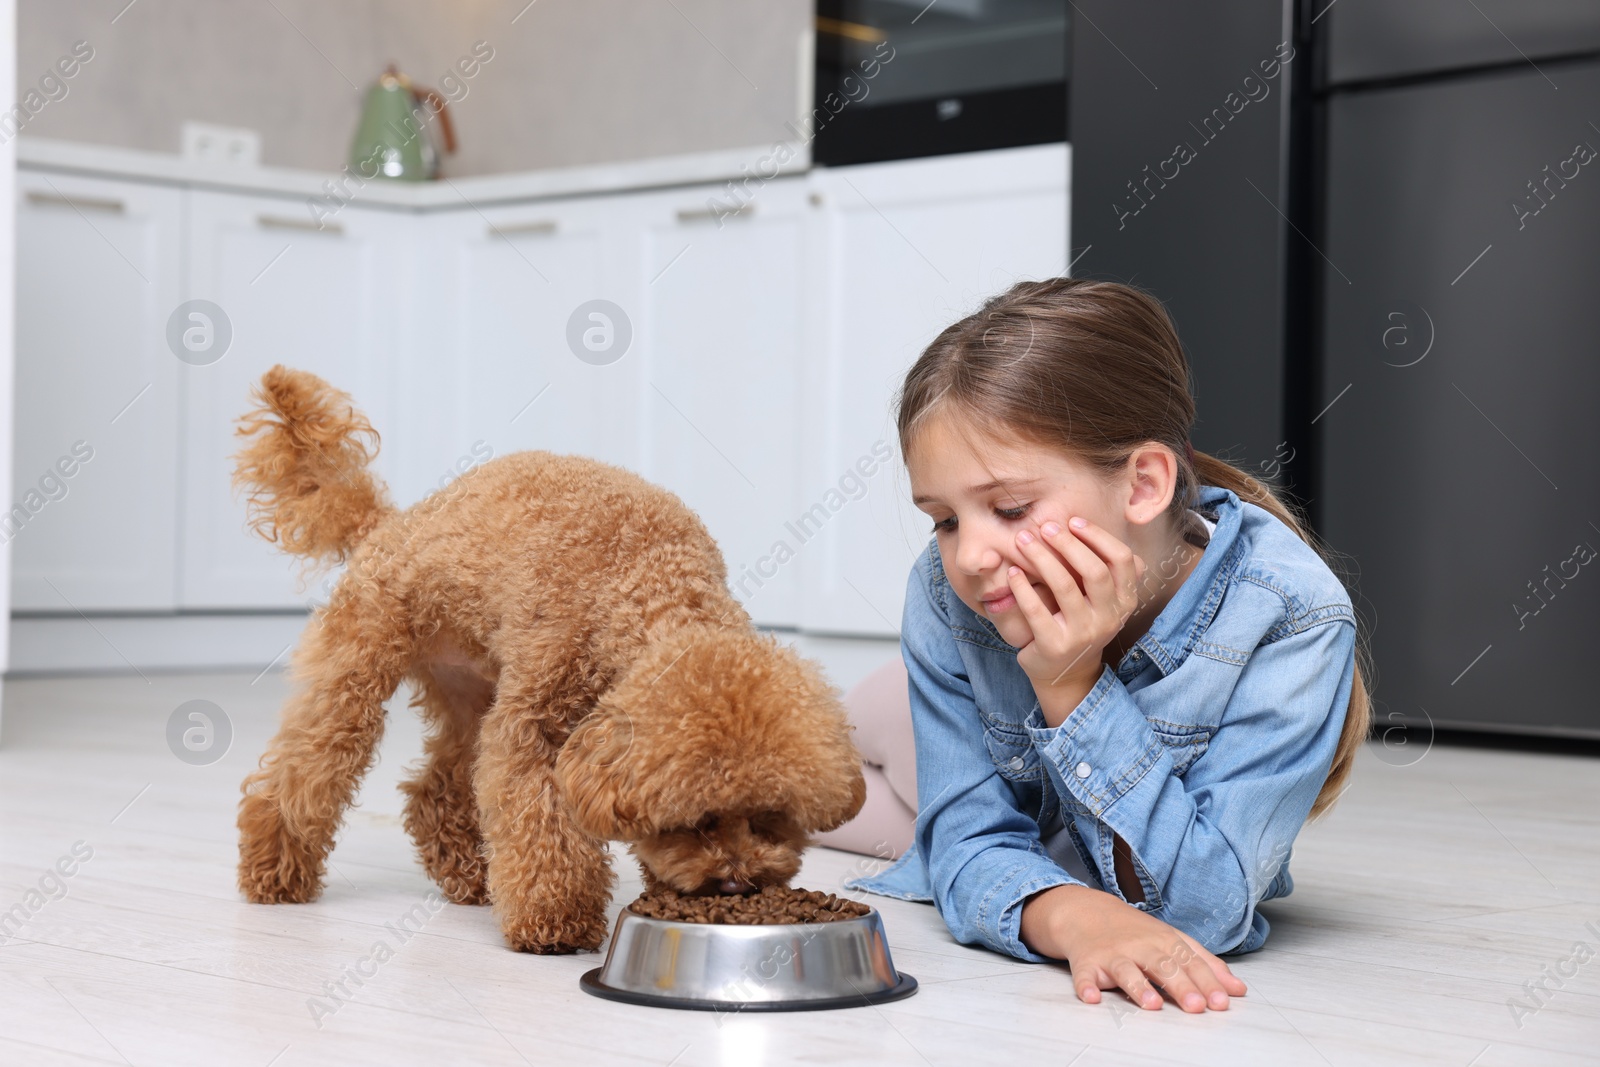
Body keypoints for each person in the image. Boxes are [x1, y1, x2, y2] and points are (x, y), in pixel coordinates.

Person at [831, 277, 1373, 1015]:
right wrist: (1075, 916)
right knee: (800, 773)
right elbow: (967, 840)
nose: (969, 556)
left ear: (1144, 485)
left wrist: (1071, 685)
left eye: (1010, 508)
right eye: (944, 519)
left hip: (1030, 799)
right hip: (947, 726)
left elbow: (1205, 909)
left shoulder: (1295, 617)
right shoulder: (944, 589)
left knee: (869, 811)